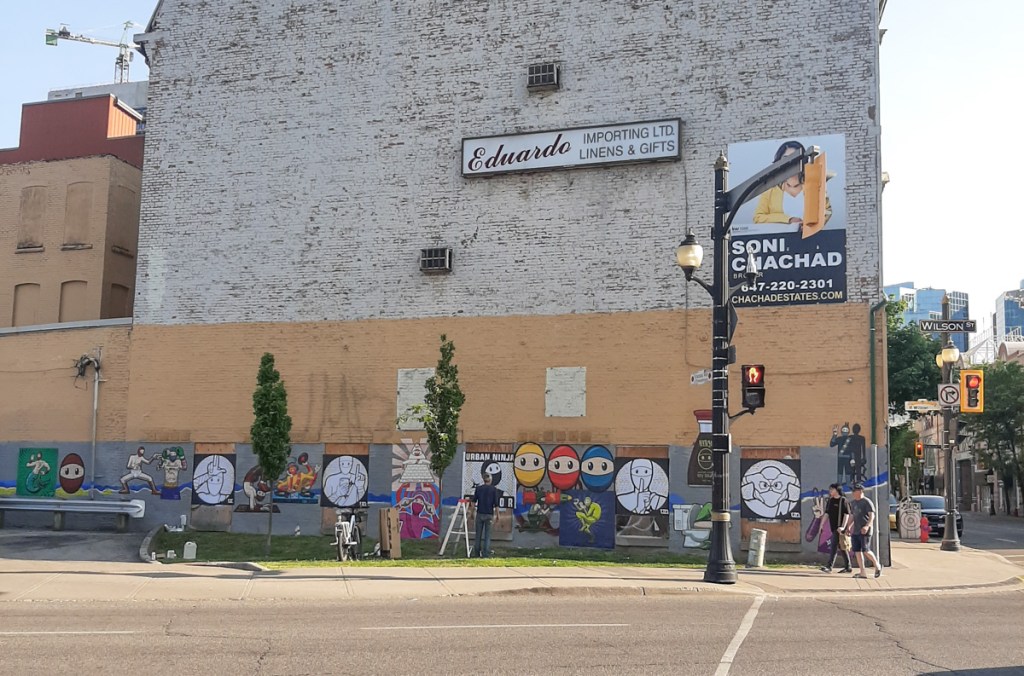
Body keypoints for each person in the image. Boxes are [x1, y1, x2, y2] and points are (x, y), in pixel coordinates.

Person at [752, 140, 832, 235]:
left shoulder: (814, 185)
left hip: (811, 239)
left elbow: (826, 211)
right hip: (780, 241)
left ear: (802, 160)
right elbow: (758, 218)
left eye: (794, 158)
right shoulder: (770, 190)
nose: (790, 162)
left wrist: (809, 226)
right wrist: (789, 220)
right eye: (786, 158)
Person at [849, 483, 882, 578]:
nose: (853, 493)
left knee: (866, 550)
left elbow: (872, 516)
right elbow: (852, 516)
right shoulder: (853, 503)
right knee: (857, 551)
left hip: (865, 531)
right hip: (856, 530)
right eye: (852, 491)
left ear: (860, 491)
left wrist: (867, 526)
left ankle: (877, 565)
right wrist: (848, 527)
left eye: (855, 491)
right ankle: (862, 572)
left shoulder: (867, 502)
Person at [820, 483, 853, 573]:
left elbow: (846, 514)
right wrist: (822, 524)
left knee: (834, 546)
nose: (830, 491)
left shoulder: (843, 500)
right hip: (833, 527)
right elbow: (827, 513)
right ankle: (848, 567)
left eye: (832, 489)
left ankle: (829, 566)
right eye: (830, 489)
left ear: (837, 490)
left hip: (839, 529)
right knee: (842, 547)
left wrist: (842, 527)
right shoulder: (830, 501)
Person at [471, 472, 499, 558]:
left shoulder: (478, 489)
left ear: (483, 479)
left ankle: (476, 553)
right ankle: (485, 554)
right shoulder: (494, 489)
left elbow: (473, 502)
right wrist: (498, 515)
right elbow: (496, 504)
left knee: (478, 535)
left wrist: (472, 512)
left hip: (480, 513)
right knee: (487, 535)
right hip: (489, 514)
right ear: (490, 479)